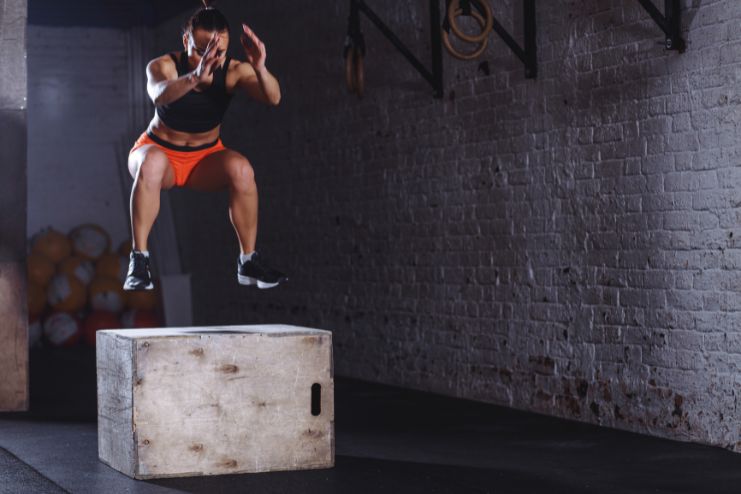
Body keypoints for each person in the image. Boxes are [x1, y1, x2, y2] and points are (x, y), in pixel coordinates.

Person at [124, 2, 288, 291]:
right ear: (186, 41)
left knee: (242, 169)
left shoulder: (233, 70)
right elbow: (158, 95)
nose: (210, 59)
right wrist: (195, 77)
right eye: (201, 51)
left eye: (218, 52)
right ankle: (139, 261)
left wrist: (260, 67)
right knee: (152, 163)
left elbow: (273, 98)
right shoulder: (163, 65)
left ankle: (248, 260)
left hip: (203, 159)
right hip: (157, 152)